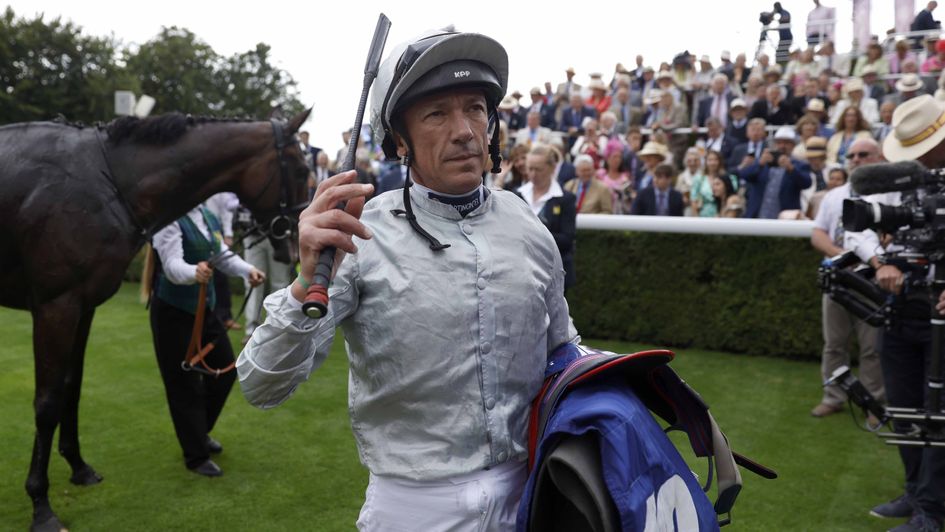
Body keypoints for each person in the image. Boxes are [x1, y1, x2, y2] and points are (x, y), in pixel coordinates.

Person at [237, 28, 579, 530]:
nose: (464, 131)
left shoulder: (528, 225)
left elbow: (563, 352)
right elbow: (261, 385)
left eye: (475, 108)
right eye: (437, 114)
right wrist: (305, 280)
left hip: (529, 497)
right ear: (400, 140)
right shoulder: (358, 235)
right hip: (412, 509)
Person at [845, 94, 945, 532]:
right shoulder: (905, 177)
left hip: (939, 314)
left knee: (938, 412)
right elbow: (879, 230)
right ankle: (916, 491)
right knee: (905, 408)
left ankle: (932, 510)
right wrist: (883, 262)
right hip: (901, 308)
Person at [150, 204, 264, 476]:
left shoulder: (207, 215)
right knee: (184, 384)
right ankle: (196, 456)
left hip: (205, 309)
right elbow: (172, 266)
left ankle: (199, 431)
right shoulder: (169, 218)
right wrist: (194, 272)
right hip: (173, 313)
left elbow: (220, 254)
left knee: (225, 370)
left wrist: (247, 269)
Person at [809, 138, 884, 421]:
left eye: (863, 154)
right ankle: (833, 397)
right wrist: (842, 256)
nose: (856, 160)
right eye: (851, 155)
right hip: (838, 278)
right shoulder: (834, 195)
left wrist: (868, 257)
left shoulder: (887, 194)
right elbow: (818, 234)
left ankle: (874, 404)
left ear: (878, 158)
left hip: (872, 279)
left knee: (873, 347)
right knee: (834, 344)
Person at [521, 143, 577, 290]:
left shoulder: (565, 199)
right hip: (521, 273)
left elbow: (567, 239)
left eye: (538, 169)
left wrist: (534, 234)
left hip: (555, 274)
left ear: (552, 168)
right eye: (530, 169)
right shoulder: (518, 194)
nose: (533, 174)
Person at [740, 126, 812, 218]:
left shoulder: (799, 164)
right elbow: (744, 175)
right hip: (758, 216)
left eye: (786, 143)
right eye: (779, 142)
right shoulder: (763, 161)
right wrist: (760, 164)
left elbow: (807, 183)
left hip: (785, 217)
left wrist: (791, 169)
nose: (782, 146)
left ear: (793, 145)